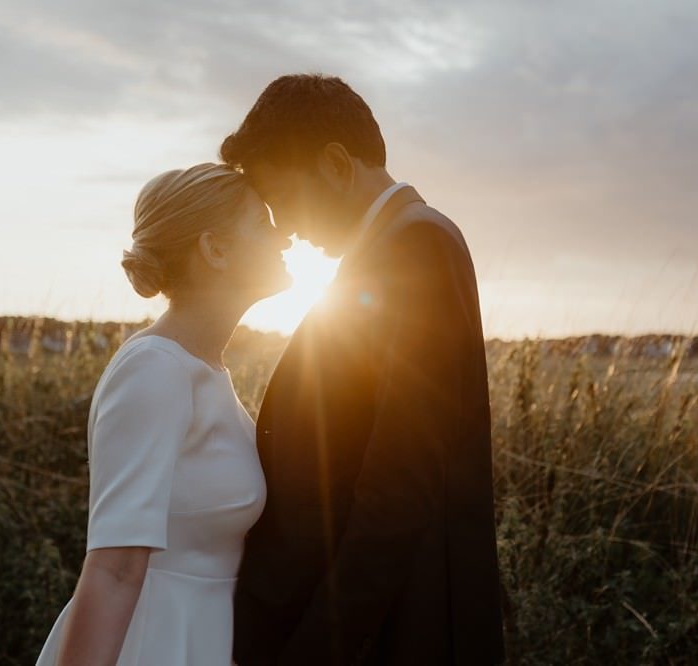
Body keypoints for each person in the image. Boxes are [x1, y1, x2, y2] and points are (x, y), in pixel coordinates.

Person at [223, 74, 506, 665]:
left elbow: (399, 487)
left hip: (394, 633)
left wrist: (316, 649)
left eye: (284, 202)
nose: (288, 230)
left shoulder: (416, 247)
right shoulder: (390, 248)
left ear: (334, 164)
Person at [35, 163, 291, 665]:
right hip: (153, 642)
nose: (283, 238)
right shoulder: (154, 369)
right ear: (214, 249)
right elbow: (114, 567)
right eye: (263, 223)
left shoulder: (206, 371)